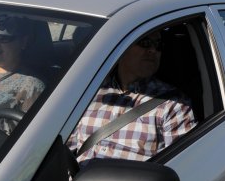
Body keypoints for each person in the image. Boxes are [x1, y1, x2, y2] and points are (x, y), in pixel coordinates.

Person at [67, 29, 197, 164]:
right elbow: (64, 154)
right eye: (145, 42)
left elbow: (184, 166)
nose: (153, 50)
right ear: (121, 48)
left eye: (158, 45)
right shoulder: (88, 92)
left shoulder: (173, 104)